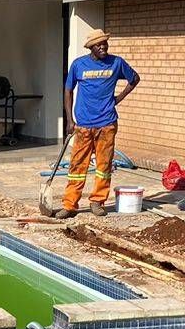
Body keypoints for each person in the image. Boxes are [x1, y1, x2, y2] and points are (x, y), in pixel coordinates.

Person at [59, 31, 140, 217]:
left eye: (105, 43)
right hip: (83, 125)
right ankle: (70, 205)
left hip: (107, 124)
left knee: (104, 166)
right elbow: (68, 90)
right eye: (99, 45)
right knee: (77, 166)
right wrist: (70, 120)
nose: (103, 47)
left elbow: (134, 79)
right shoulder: (79, 65)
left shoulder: (116, 62)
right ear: (91, 48)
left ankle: (98, 202)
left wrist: (117, 99)